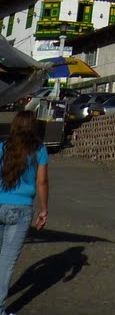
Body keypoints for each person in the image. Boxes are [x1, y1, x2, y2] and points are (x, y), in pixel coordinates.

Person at [0, 111, 48, 315]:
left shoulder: (3, 147)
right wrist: (44, 209)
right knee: (7, 261)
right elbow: (42, 181)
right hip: (21, 209)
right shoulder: (39, 149)